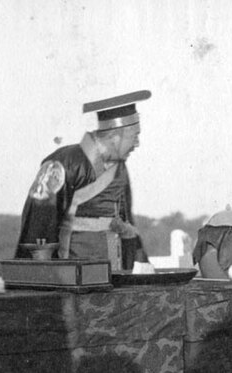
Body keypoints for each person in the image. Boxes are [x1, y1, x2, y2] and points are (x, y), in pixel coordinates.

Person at [15, 90, 152, 271]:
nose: (137, 144)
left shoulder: (120, 168)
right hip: (72, 272)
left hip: (114, 270)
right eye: (134, 136)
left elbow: (126, 222)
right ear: (114, 135)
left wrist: (141, 262)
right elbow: (38, 222)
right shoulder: (64, 162)